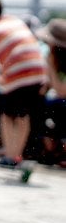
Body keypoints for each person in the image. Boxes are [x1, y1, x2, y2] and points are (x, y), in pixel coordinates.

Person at [0, 0, 47, 166]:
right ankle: (17, 155)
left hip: (18, 73)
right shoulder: (14, 21)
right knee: (22, 115)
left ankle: (10, 156)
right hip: (38, 70)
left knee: (7, 115)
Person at [35, 18, 66, 167]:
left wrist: (50, 66)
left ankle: (54, 150)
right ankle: (48, 150)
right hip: (58, 104)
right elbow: (45, 88)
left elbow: (61, 91)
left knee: (54, 106)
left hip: (62, 104)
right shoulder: (55, 60)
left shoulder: (54, 62)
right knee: (36, 105)